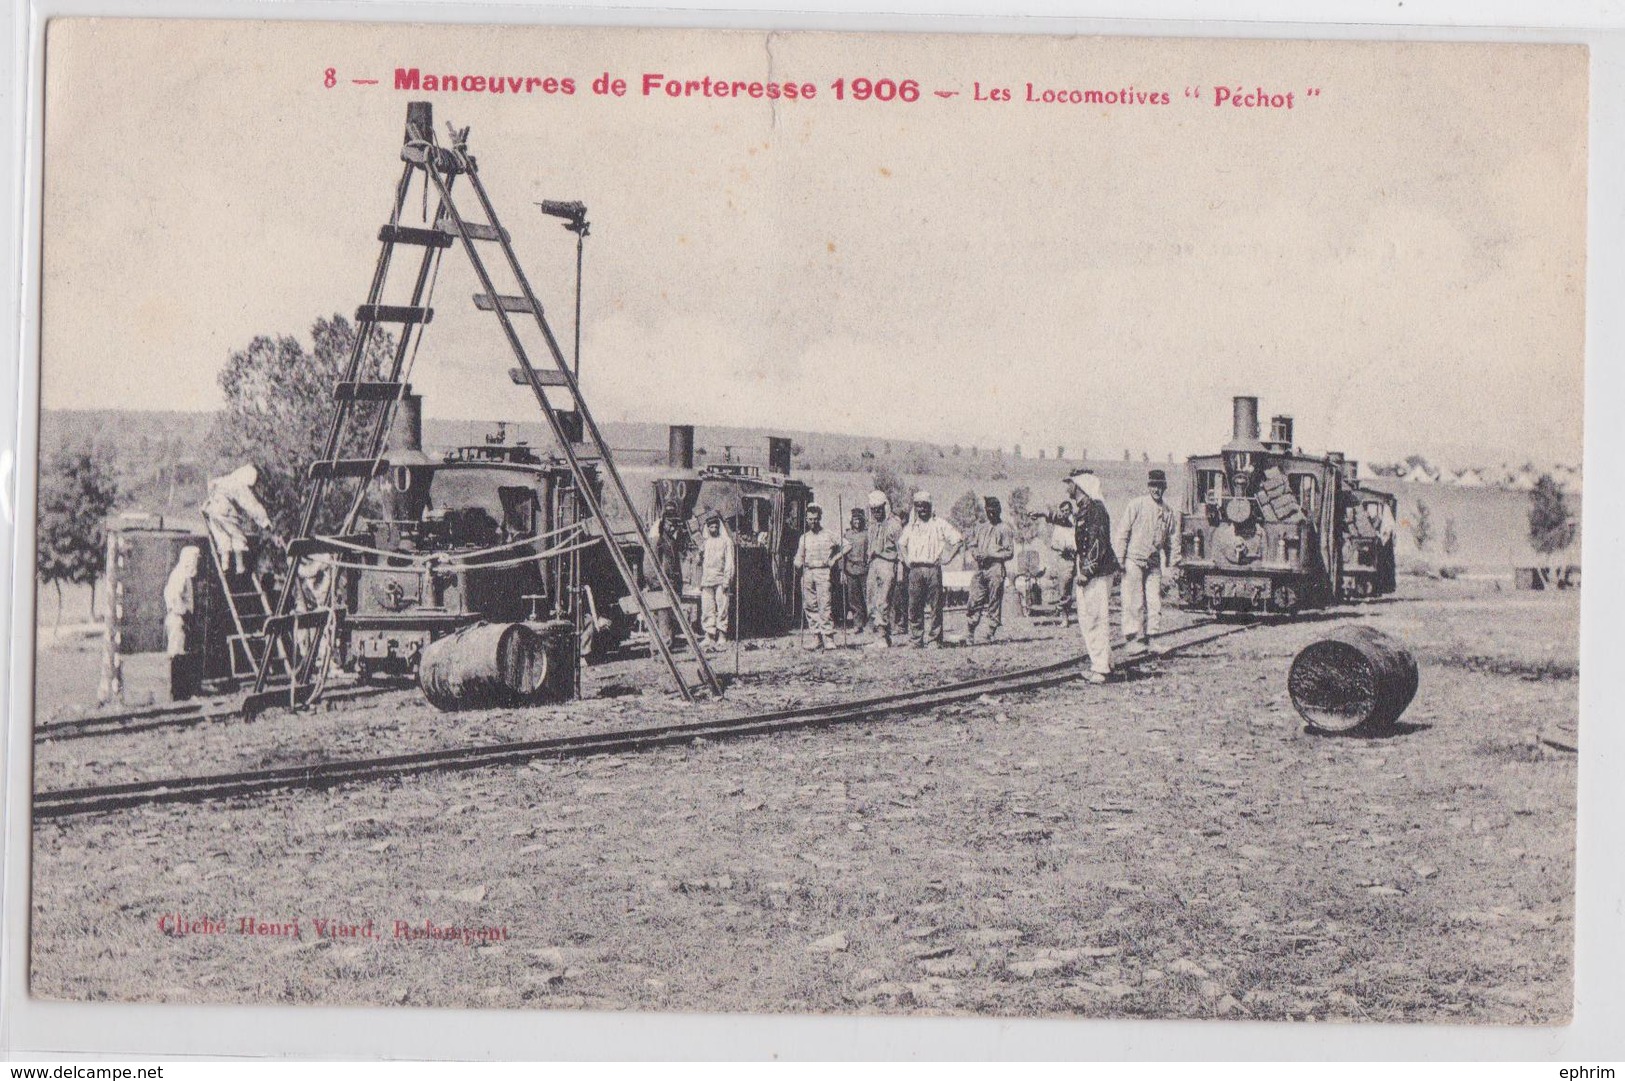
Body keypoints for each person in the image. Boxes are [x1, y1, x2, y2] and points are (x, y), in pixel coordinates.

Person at [1114, 468, 1179, 656]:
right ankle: (1132, 640)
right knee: (1133, 600)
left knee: (1154, 601)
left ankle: (1152, 639)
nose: (1156, 490)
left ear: (1164, 488)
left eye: (1159, 486)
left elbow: (1173, 539)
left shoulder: (1168, 512)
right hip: (1133, 559)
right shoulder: (1136, 505)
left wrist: (1173, 563)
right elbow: (1122, 532)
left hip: (1153, 562)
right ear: (1148, 486)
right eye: (1153, 486)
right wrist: (1120, 559)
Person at [1067, 470, 1120, 682]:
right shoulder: (1085, 509)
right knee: (1091, 617)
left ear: (1079, 485)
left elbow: (1099, 543)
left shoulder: (1095, 510)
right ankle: (1106, 663)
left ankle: (1100, 669)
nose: (1067, 488)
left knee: (1094, 619)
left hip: (1096, 573)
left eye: (1069, 483)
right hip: (1094, 572)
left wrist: (1087, 571)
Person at [896, 491, 963, 648]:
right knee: (914, 606)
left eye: (925, 506)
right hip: (915, 570)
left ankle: (934, 639)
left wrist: (948, 558)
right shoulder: (911, 526)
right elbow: (901, 544)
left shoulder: (939, 524)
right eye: (918, 506)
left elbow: (958, 540)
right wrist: (906, 559)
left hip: (933, 569)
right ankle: (915, 640)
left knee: (935, 607)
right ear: (916, 508)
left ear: (930, 506)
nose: (922, 509)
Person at [202, 464, 272, 575]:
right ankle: (240, 566)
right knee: (237, 535)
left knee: (222, 535)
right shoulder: (239, 486)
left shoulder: (224, 481)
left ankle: (225, 563)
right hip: (225, 510)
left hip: (212, 510)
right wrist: (264, 521)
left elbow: (211, 488)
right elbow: (251, 506)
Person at [793, 504, 845, 650]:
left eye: (815, 519)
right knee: (810, 605)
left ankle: (828, 638)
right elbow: (799, 556)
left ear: (820, 518)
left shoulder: (828, 534)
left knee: (825, 605)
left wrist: (834, 558)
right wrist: (797, 563)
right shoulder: (804, 538)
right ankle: (816, 637)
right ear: (806, 519)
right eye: (810, 519)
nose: (813, 522)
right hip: (808, 572)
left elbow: (847, 545)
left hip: (823, 572)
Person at [965, 495, 1015, 644]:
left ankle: (990, 631)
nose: (991, 514)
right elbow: (972, 544)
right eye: (988, 511)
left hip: (995, 568)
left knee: (994, 600)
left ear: (999, 510)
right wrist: (975, 553)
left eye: (994, 511)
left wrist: (991, 554)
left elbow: (1009, 552)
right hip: (980, 568)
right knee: (974, 599)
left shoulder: (1005, 528)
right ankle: (970, 632)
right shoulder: (981, 527)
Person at [163, 545, 203, 699]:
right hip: (177, 619)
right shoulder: (179, 574)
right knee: (177, 653)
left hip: (183, 619)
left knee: (184, 653)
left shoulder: (186, 575)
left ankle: (184, 691)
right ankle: (177, 692)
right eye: (194, 560)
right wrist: (185, 613)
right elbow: (173, 597)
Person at [864, 491, 904, 648]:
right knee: (871, 599)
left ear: (885, 507)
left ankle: (882, 636)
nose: (876, 512)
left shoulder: (894, 525)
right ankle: (881, 635)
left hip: (888, 563)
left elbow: (900, 549)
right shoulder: (872, 525)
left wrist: (900, 570)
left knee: (883, 601)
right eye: (873, 510)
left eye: (879, 509)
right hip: (874, 564)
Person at [651, 499, 692, 647]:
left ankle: (666, 645)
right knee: (662, 615)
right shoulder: (657, 539)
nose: (672, 525)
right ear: (663, 522)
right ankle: (661, 648)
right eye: (669, 522)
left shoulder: (672, 540)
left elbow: (676, 563)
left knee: (669, 615)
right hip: (661, 584)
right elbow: (649, 563)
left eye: (674, 522)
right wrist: (655, 582)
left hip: (672, 582)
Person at [697, 512, 735, 651]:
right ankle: (709, 635)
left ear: (719, 527)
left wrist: (727, 580)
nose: (713, 529)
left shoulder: (726, 542)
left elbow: (729, 562)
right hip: (707, 580)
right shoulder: (705, 543)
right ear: (707, 527)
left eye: (715, 526)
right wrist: (699, 555)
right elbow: (700, 563)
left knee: (722, 608)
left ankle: (722, 635)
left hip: (720, 580)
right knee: (707, 609)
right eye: (710, 526)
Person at [840, 508, 870, 634]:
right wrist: (842, 570)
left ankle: (870, 624)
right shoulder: (847, 535)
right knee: (854, 599)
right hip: (850, 570)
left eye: (859, 519)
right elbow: (842, 554)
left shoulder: (867, 534)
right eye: (855, 519)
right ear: (851, 520)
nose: (857, 522)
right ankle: (858, 625)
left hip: (865, 570)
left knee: (867, 597)